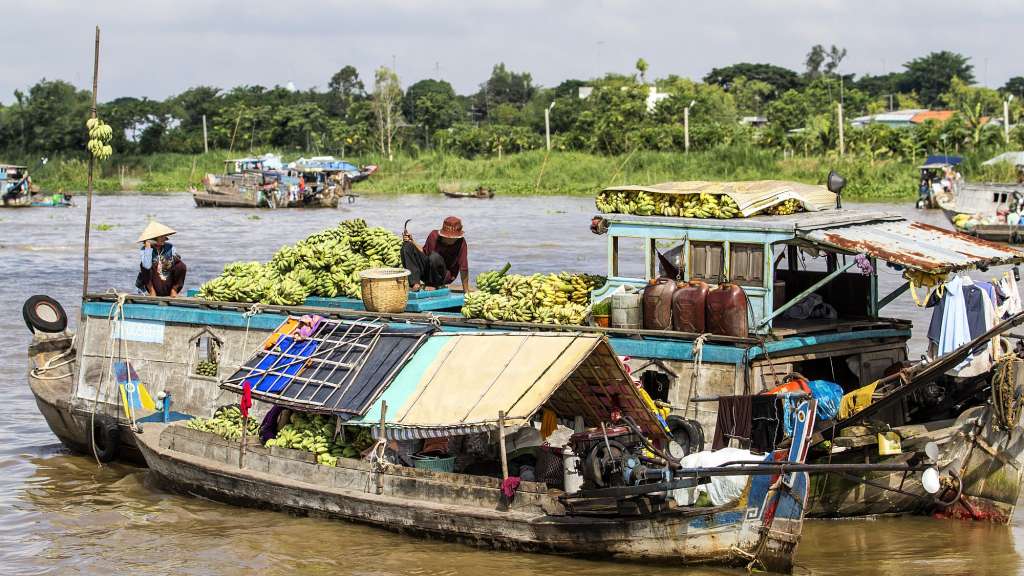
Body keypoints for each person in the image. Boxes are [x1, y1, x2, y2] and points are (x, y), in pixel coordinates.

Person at [401, 216, 471, 292]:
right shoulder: (433, 235)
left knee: (434, 257)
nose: (452, 239)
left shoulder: (461, 243)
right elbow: (425, 253)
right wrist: (412, 241)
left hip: (444, 276)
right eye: (449, 237)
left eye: (454, 237)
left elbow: (463, 268)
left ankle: (433, 284)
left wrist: (466, 290)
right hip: (428, 271)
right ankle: (414, 283)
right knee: (407, 246)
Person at [135, 221, 187, 297]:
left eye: (164, 236)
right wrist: (148, 247)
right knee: (144, 266)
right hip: (153, 283)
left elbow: (177, 262)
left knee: (180, 265)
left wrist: (167, 262)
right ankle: (152, 291)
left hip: (166, 279)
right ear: (154, 239)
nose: (164, 239)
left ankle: (174, 290)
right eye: (161, 237)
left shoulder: (170, 247)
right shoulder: (144, 249)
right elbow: (146, 266)